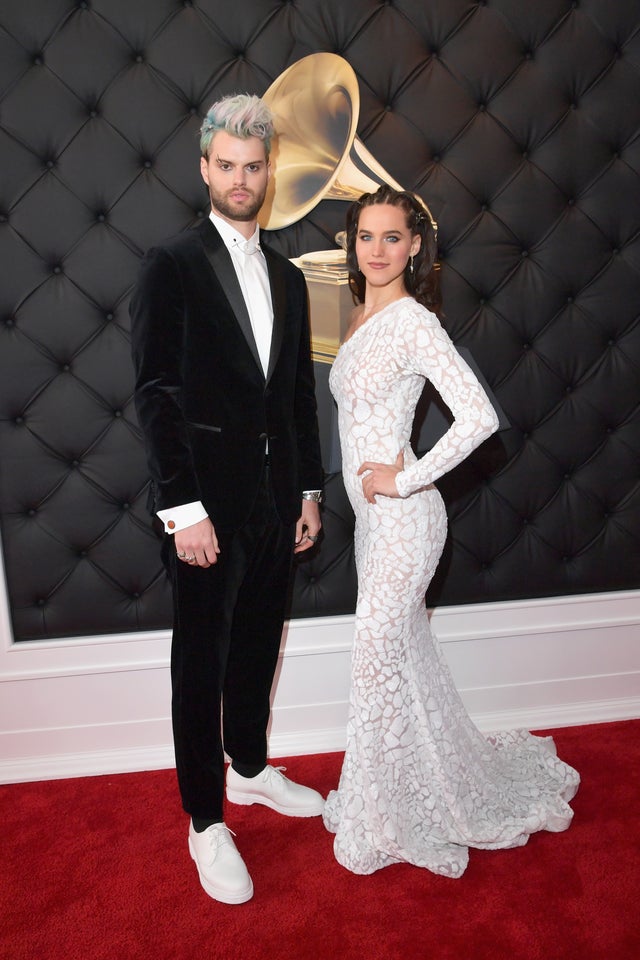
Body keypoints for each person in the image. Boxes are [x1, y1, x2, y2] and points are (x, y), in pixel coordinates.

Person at [322, 185, 579, 877]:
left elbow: (478, 418)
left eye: (392, 238)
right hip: (371, 527)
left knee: (374, 657)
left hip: (407, 521)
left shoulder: (413, 323)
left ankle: (391, 816)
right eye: (366, 236)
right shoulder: (358, 315)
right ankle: (413, 791)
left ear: (415, 247)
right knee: (398, 657)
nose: (377, 250)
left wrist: (404, 478)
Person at [130, 94, 325, 905]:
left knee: (258, 645)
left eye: (254, 166)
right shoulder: (170, 265)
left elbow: (296, 400)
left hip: (278, 501)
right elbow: (156, 394)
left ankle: (248, 770)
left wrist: (310, 488)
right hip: (205, 508)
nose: (241, 179)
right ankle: (205, 819)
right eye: (227, 166)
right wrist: (184, 511)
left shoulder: (287, 273)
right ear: (204, 167)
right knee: (199, 661)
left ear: (267, 170)